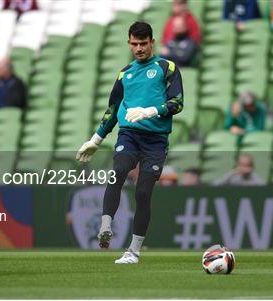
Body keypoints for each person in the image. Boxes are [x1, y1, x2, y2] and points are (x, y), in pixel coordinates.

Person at [75, 21, 184, 264]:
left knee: (143, 192)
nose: (138, 49)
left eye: (143, 44)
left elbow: (177, 102)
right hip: (129, 135)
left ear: (152, 42)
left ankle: (133, 251)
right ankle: (105, 227)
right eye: (134, 44)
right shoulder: (125, 73)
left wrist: (150, 111)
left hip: (156, 140)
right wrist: (96, 139)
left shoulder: (167, 68)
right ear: (129, 43)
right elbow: (113, 109)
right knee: (118, 171)